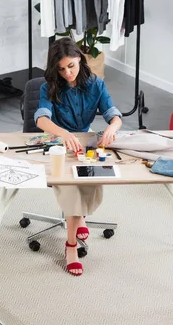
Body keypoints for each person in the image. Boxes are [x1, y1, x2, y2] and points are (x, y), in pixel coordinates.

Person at [34, 37, 122, 276]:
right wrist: (62, 134)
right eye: (61, 69)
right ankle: (70, 246)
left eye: (71, 66)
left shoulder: (96, 84)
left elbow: (113, 114)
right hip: (59, 145)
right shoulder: (49, 86)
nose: (67, 73)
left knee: (91, 181)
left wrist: (112, 128)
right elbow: (41, 119)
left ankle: (80, 216)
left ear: (80, 61)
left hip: (85, 144)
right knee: (73, 189)